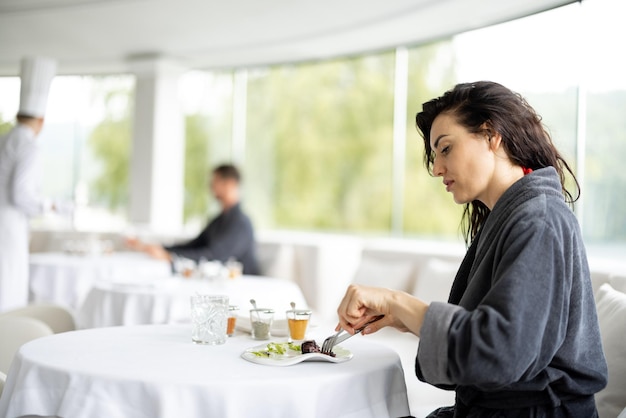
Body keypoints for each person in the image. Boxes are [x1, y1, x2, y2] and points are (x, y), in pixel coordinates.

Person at [336, 82, 608, 417]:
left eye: (445, 149)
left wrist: (398, 301)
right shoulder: (514, 216)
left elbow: (500, 352)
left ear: (491, 136)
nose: (436, 168)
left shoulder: (540, 220)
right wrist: (404, 318)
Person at [127, 164, 260, 275]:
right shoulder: (219, 221)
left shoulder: (241, 223)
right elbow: (195, 245)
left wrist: (171, 257)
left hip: (241, 290)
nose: (211, 187)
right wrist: (160, 249)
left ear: (230, 184)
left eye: (215, 182)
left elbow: (214, 256)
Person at [0, 57, 57, 312]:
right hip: (9, 228)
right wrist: (49, 205)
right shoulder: (30, 147)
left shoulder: (4, 140)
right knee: (9, 291)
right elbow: (20, 195)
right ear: (41, 120)